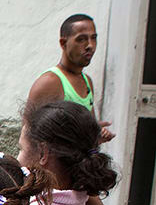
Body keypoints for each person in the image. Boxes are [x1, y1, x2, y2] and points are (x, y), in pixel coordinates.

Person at [27, 14, 114, 143]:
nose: (90, 45)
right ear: (63, 43)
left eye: (94, 38)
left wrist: (96, 134)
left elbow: (86, 129)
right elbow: (28, 136)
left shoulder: (87, 81)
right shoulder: (50, 82)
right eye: (81, 39)